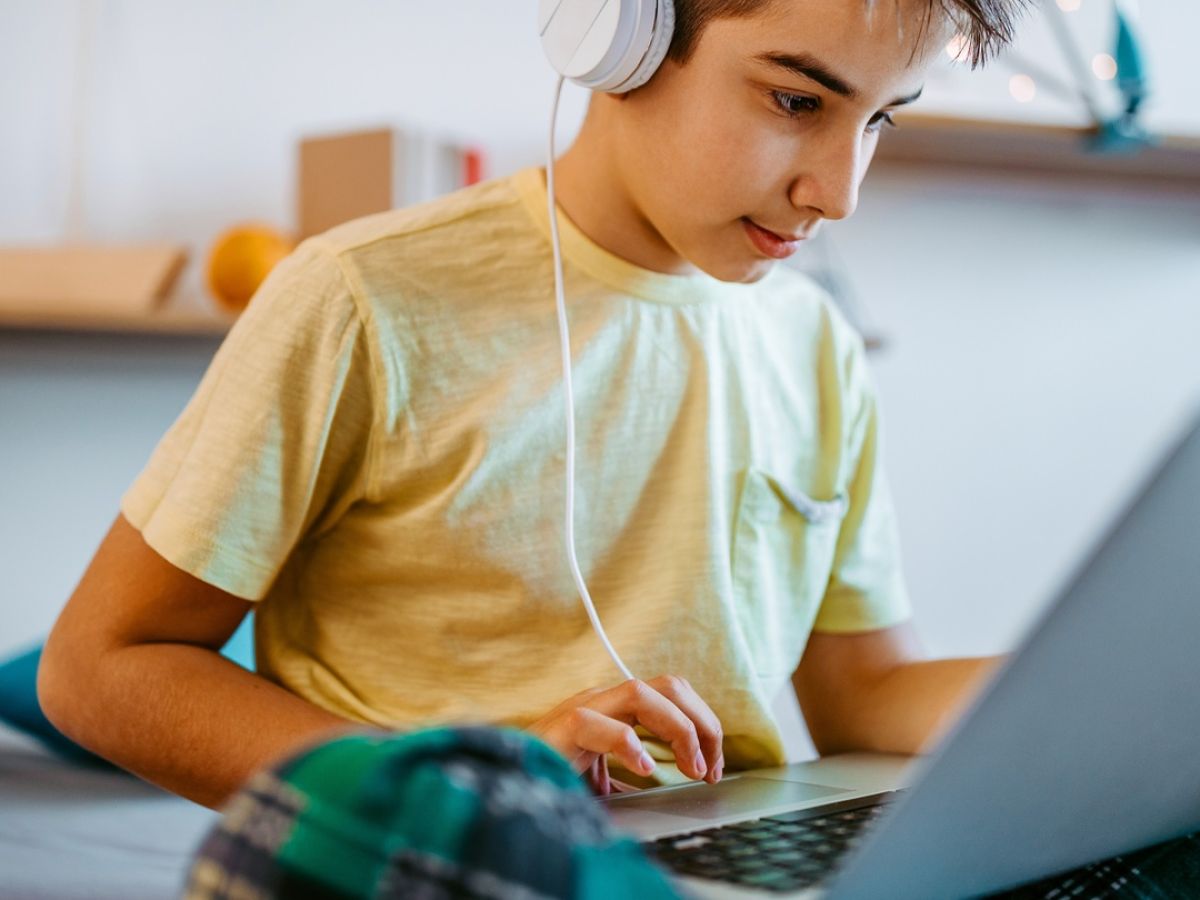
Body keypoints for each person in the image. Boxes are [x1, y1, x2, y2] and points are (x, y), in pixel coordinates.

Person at [38, 0, 1014, 814]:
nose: (840, 193)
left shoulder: (816, 345)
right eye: (797, 100)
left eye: (883, 119)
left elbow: (863, 695)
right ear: (620, 35)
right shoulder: (362, 298)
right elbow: (99, 667)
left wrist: (1126, 698)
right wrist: (450, 786)